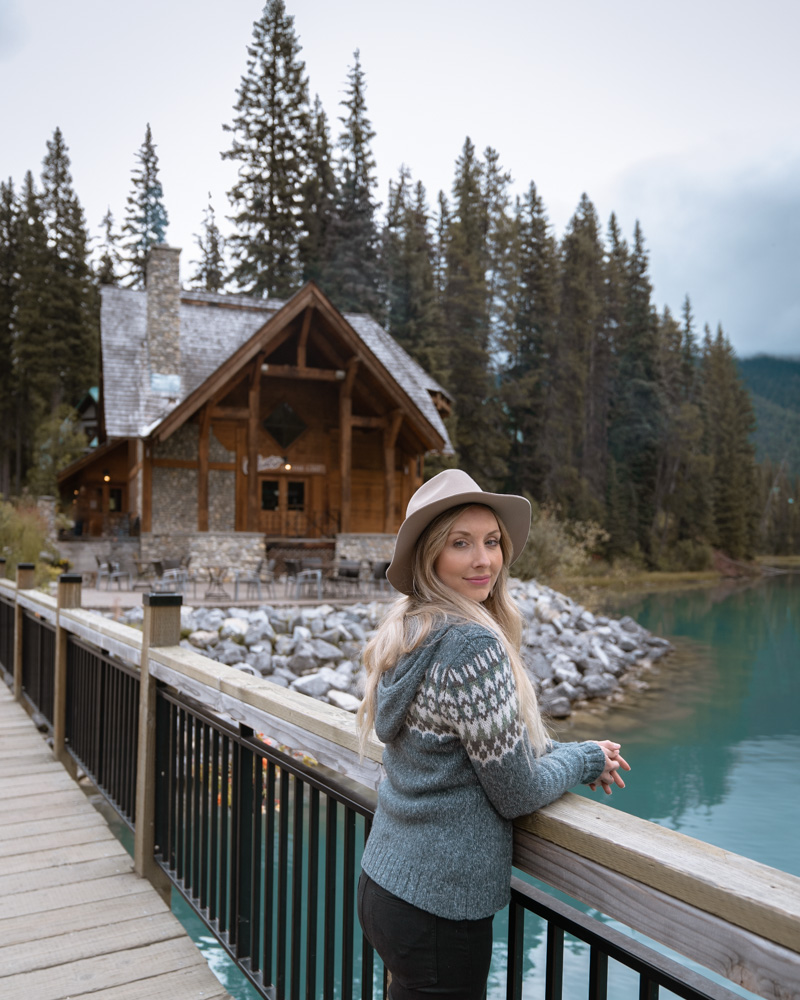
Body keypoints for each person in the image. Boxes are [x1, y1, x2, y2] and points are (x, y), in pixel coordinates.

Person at [356, 469, 630, 999]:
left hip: (386, 884)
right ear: (430, 555)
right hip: (436, 907)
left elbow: (487, 743)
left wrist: (567, 750)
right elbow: (519, 792)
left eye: (491, 542)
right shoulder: (470, 648)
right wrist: (586, 760)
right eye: (461, 544)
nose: (484, 560)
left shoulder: (413, 628)